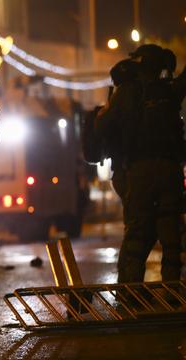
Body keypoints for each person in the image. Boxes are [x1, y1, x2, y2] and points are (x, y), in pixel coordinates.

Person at [95, 44, 186, 284]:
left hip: (138, 171)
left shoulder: (127, 92)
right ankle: (173, 295)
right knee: (171, 238)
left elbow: (103, 127)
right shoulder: (170, 92)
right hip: (170, 171)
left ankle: (130, 295)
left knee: (136, 235)